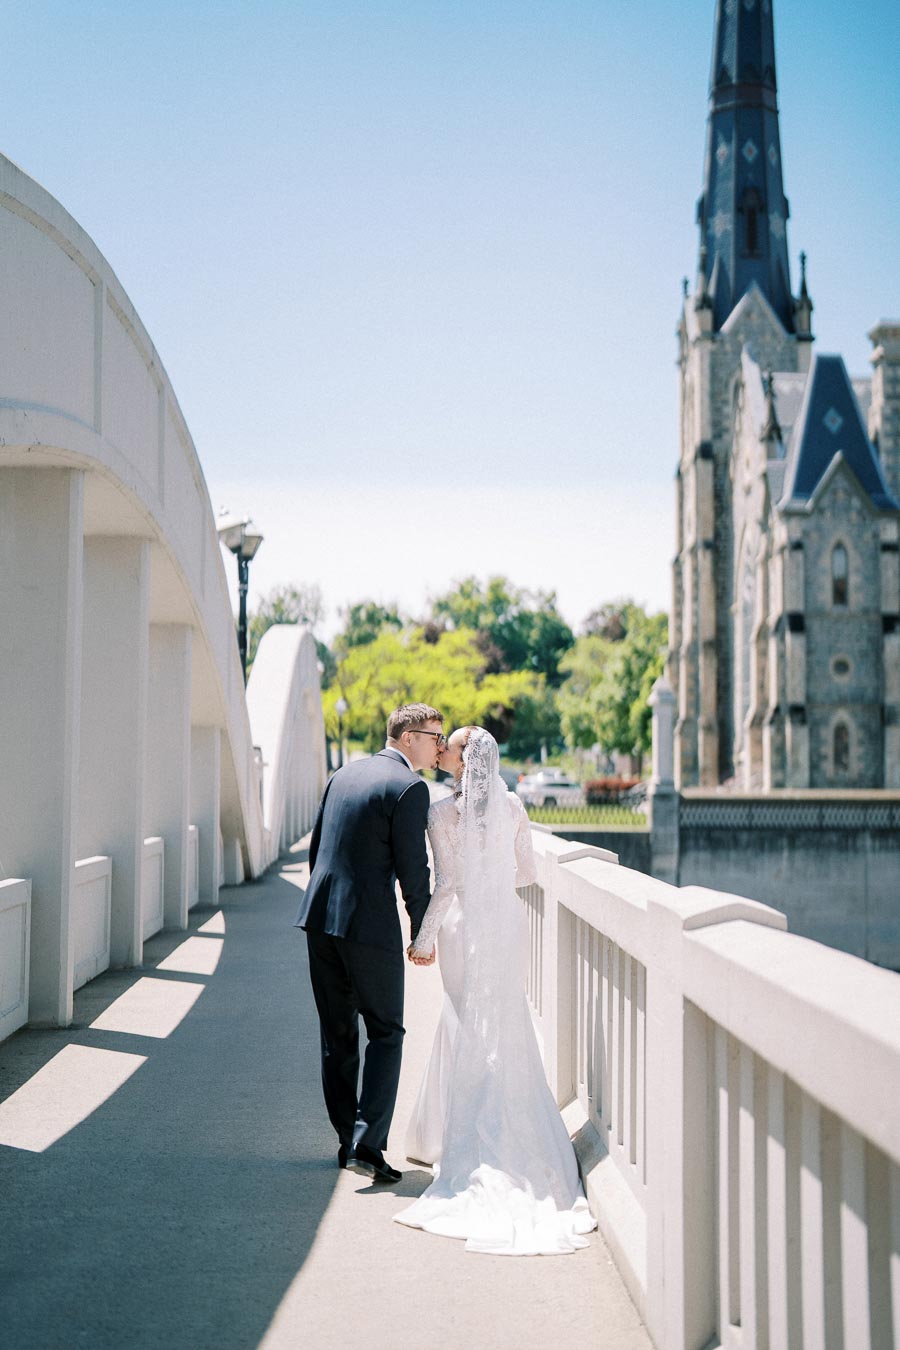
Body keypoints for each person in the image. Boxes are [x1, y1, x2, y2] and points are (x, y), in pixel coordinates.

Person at [395, 726, 596, 1254]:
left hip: (462, 925)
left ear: (465, 761)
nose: (441, 751)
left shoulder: (441, 812)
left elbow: (445, 884)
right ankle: (497, 1125)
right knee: (501, 1021)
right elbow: (526, 873)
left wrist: (422, 937)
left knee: (462, 1017)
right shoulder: (511, 805)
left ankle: (444, 1133)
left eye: (450, 746)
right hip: (503, 925)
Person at [294, 702, 444, 1183]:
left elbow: (319, 851)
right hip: (368, 928)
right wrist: (422, 933)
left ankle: (347, 1141)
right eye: (432, 736)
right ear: (405, 738)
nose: (438, 746)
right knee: (386, 1032)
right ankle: (368, 1143)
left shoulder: (343, 775)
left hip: (320, 919)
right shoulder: (409, 787)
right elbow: (413, 873)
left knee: (337, 1034)